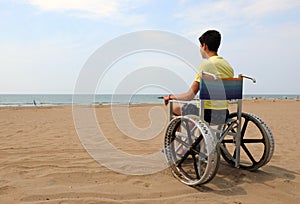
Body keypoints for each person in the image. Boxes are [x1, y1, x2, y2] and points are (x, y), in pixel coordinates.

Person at [163, 30, 234, 124]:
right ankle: (192, 136)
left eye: (200, 46)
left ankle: (180, 137)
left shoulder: (206, 65)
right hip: (223, 114)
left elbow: (189, 96)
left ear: (204, 46)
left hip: (207, 114)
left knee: (173, 106)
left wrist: (171, 97)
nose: (200, 49)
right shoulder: (228, 66)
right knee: (191, 109)